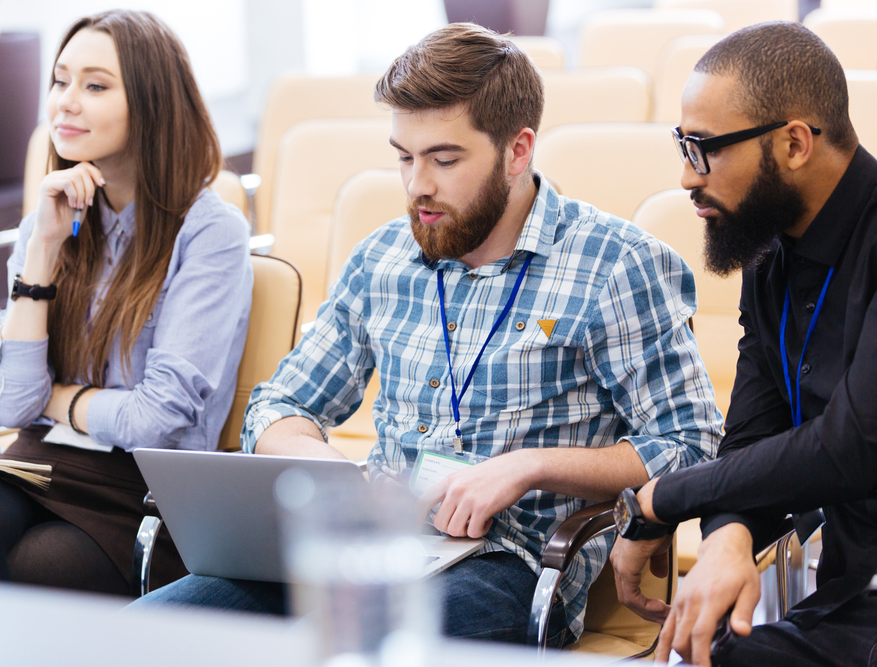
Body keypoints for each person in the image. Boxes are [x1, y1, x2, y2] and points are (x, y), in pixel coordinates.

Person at [133, 23, 720, 645]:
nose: (418, 186)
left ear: (518, 151)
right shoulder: (382, 258)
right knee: (147, 635)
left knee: (347, 648)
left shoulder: (615, 266)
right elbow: (278, 408)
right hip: (369, 547)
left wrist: (527, 467)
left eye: (443, 159)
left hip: (508, 562)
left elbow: (691, 443)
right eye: (404, 158)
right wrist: (340, 480)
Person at [0, 10, 253, 596]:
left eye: (95, 85)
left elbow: (157, 421)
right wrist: (46, 249)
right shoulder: (46, 224)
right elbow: (10, 405)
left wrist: (58, 399)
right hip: (37, 465)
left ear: (152, 103)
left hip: (142, 493)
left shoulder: (210, 232)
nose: (65, 103)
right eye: (60, 81)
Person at [608, 22, 877, 667]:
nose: (685, 177)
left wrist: (664, 497)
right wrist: (729, 535)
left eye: (704, 149)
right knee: (715, 654)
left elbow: (853, 446)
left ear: (793, 144)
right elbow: (752, 437)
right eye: (683, 145)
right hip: (854, 599)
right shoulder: (769, 256)